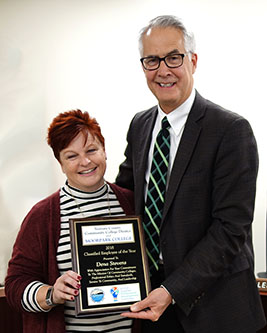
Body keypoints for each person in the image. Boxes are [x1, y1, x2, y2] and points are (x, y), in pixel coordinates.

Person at [116, 15, 266, 332]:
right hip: (153, 306)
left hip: (216, 312)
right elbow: (125, 197)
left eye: (173, 57)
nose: (163, 70)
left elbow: (230, 229)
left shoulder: (230, 130)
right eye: (151, 60)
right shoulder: (140, 126)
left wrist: (172, 291)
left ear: (193, 61)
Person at [5, 110, 137, 332]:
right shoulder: (42, 216)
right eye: (71, 155)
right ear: (60, 162)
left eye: (91, 150)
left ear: (105, 151)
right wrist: (51, 294)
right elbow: (14, 286)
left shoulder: (131, 203)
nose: (85, 162)